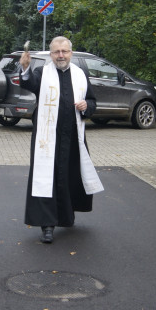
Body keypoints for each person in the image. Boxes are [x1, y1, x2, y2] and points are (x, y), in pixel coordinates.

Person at [18, 36, 104, 244]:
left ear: (71, 53)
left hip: (73, 138)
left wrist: (87, 107)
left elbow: (92, 101)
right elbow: (29, 83)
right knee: (47, 180)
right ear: (51, 54)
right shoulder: (43, 73)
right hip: (47, 140)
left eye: (64, 51)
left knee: (68, 178)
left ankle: (66, 216)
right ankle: (47, 225)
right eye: (56, 52)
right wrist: (25, 68)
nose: (61, 55)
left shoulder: (80, 74)